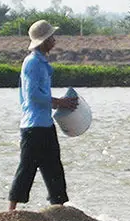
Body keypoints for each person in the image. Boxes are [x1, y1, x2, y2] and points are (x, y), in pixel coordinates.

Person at [8, 20, 78, 211]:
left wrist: (57, 102)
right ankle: (11, 210)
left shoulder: (41, 62)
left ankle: (59, 207)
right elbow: (33, 96)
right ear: (44, 41)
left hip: (45, 124)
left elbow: (38, 95)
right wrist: (59, 102)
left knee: (53, 166)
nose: (54, 41)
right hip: (33, 126)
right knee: (27, 167)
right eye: (51, 38)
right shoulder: (33, 63)